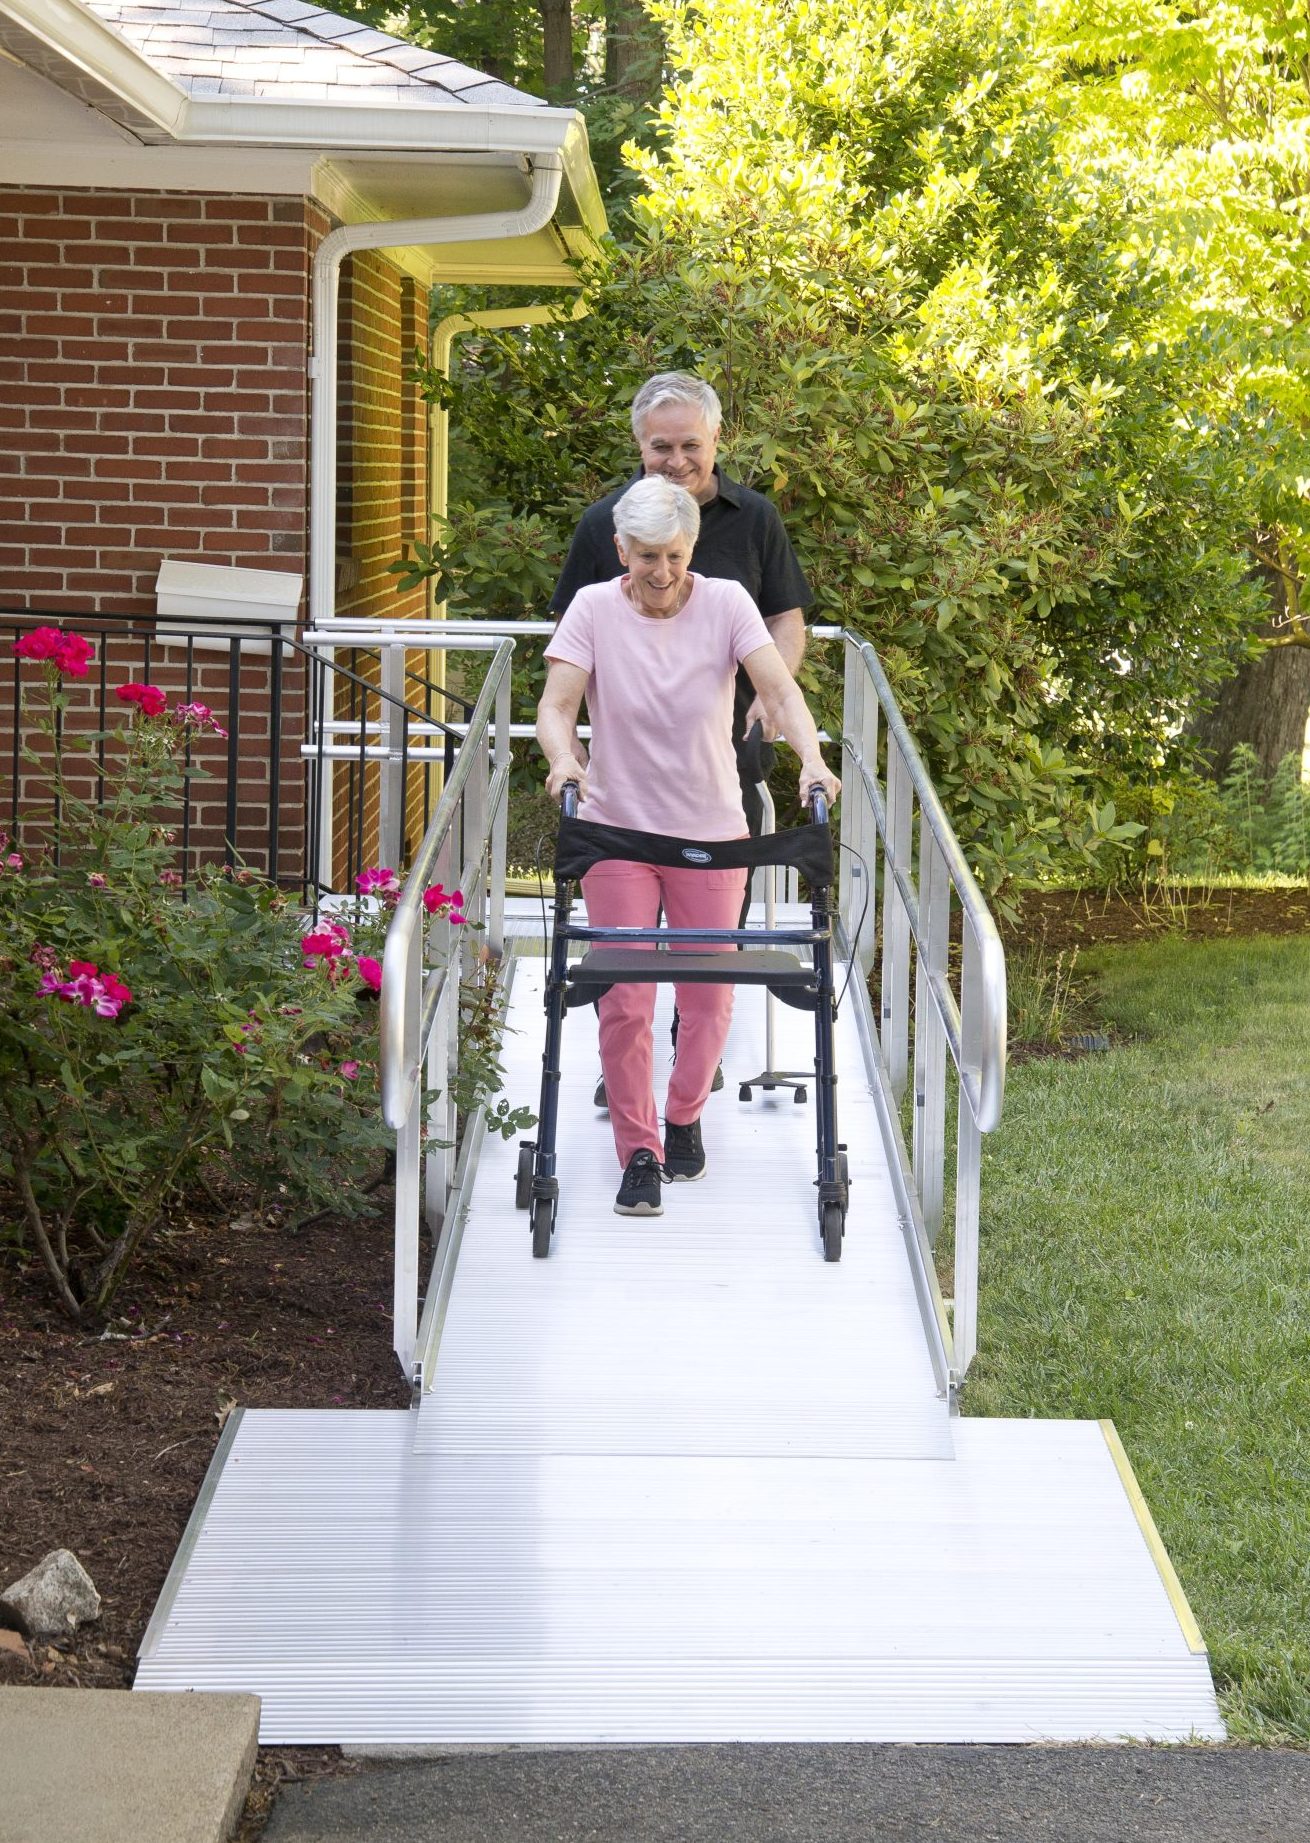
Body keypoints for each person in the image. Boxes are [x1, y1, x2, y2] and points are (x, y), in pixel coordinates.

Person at [538, 475, 839, 1220]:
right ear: (620, 549)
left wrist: (810, 756)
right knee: (626, 998)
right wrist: (563, 756)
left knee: (708, 1001)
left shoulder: (729, 604)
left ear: (692, 547)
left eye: (673, 554)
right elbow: (555, 704)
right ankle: (639, 1149)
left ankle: (682, 1114)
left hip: (711, 829)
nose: (662, 572)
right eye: (645, 556)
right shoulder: (593, 607)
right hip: (617, 829)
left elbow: (776, 689)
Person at [552, 371, 813, 1104]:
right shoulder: (604, 525)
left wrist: (769, 687)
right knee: (627, 964)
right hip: (626, 793)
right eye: (659, 445)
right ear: (639, 445)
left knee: (707, 965)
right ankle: (628, 1077)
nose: (676, 459)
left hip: (725, 778)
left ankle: (687, 1081)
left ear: (716, 440)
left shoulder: (754, 519)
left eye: (689, 444)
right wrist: (566, 746)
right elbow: (573, 639)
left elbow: (786, 622)